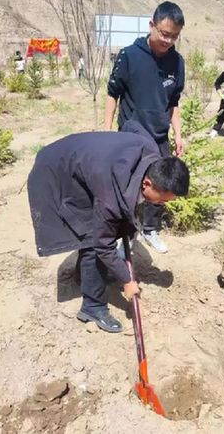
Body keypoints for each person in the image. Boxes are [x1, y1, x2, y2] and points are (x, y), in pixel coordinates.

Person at [27, 121, 190, 333]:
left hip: (81, 160)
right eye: (162, 200)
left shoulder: (151, 152)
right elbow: (103, 244)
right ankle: (92, 307)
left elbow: (132, 124)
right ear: (147, 183)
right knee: (90, 240)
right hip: (54, 171)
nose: (162, 205)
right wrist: (127, 280)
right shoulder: (110, 196)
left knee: (104, 229)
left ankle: (84, 276)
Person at [104, 1, 186, 254]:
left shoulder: (177, 62)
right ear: (151, 25)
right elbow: (113, 94)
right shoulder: (129, 55)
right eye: (164, 33)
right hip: (131, 137)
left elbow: (173, 103)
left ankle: (150, 229)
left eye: (174, 36)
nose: (168, 40)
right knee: (128, 188)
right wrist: (106, 131)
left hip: (159, 136)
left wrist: (178, 134)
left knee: (161, 188)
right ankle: (124, 237)